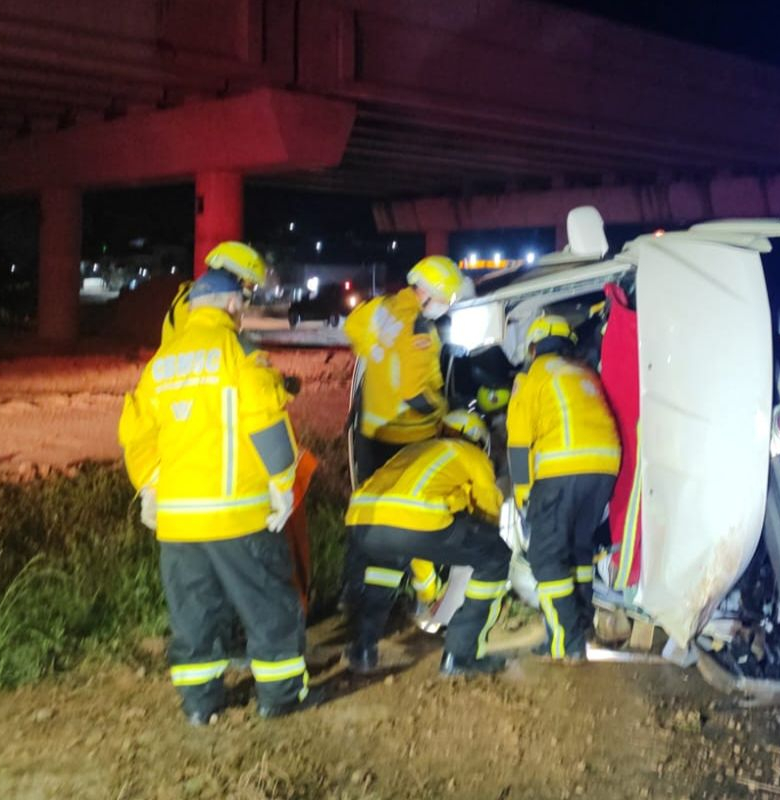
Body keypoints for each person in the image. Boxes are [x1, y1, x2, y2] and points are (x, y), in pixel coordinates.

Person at [118, 268, 317, 725]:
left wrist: (150, 486)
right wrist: (282, 484)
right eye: (242, 305)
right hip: (237, 515)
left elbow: (138, 435)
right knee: (269, 604)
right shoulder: (241, 353)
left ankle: (199, 705)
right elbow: (266, 421)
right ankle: (280, 698)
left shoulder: (162, 362)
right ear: (231, 305)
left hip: (178, 521)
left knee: (194, 613)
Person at [344, 409, 511, 677]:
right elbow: (488, 512)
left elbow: (413, 545)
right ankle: (460, 655)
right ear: (479, 440)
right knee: (495, 556)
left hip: (363, 521)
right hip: (416, 521)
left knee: (381, 572)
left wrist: (428, 592)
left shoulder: (415, 452)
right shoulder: (471, 455)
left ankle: (363, 649)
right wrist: (480, 539)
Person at [506, 315, 620, 661]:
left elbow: (518, 440)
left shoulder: (533, 376)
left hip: (561, 467)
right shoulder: (585, 372)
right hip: (604, 468)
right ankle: (580, 625)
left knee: (545, 557)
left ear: (535, 344)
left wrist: (524, 492)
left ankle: (566, 644)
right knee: (577, 551)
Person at [343, 255, 466, 483]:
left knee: (372, 502)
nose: (448, 304)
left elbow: (352, 326)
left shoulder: (382, 307)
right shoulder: (419, 331)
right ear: (428, 292)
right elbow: (414, 394)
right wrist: (444, 409)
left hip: (371, 432)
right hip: (408, 436)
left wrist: (377, 350)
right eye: (447, 298)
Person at [161, 241, 267, 345]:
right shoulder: (204, 306)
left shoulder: (194, 295)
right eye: (249, 286)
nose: (249, 294)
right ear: (235, 279)